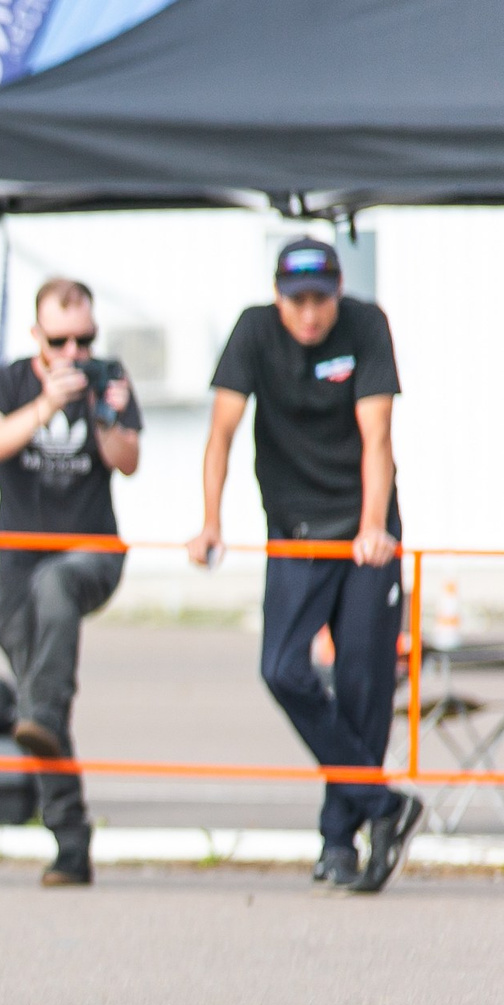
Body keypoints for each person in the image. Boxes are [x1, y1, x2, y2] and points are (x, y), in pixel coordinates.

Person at [186, 237, 419, 893]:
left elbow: (378, 439)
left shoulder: (366, 325)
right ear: (278, 297)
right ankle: (383, 803)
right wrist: (210, 520)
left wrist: (374, 528)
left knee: (363, 681)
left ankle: (340, 843)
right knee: (283, 667)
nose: (310, 315)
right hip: (296, 528)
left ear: (338, 293)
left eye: (320, 301)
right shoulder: (255, 330)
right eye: (297, 302)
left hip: (365, 527)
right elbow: (221, 434)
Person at [0, 277, 141, 887]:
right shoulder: (9, 382)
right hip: (17, 557)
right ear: (37, 336)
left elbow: (128, 460)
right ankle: (71, 844)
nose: (75, 353)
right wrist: (44, 405)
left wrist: (102, 411)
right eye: (62, 340)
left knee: (56, 590)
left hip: (90, 551)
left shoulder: (108, 377)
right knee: (37, 706)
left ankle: (47, 705)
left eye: (85, 339)